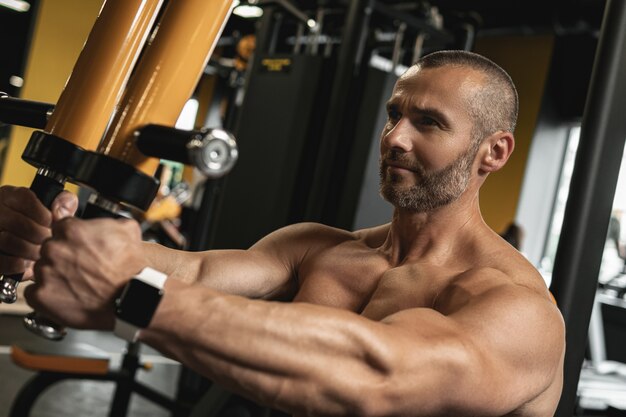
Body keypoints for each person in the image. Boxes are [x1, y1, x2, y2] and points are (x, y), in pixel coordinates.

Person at [0, 50, 564, 416]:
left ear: (493, 152)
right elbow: (194, 272)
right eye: (394, 115)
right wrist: (50, 236)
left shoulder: (515, 308)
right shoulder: (317, 249)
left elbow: (377, 375)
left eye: (429, 122)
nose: (394, 137)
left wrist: (132, 298)